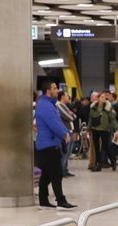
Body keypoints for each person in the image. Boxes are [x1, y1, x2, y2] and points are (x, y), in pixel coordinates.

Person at [34, 81, 76, 210]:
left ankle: (43, 200)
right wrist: (65, 134)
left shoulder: (48, 104)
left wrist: (65, 132)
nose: (57, 90)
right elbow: (53, 123)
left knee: (47, 174)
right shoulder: (45, 105)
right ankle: (60, 201)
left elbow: (56, 121)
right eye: (55, 88)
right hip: (48, 145)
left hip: (49, 143)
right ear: (48, 90)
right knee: (56, 173)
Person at [89, 91, 117, 171]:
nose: (103, 99)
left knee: (106, 147)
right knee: (96, 148)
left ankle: (113, 161)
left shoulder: (108, 107)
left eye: (104, 97)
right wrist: (88, 128)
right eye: (101, 97)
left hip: (105, 129)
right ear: (98, 98)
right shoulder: (93, 107)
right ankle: (98, 165)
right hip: (95, 129)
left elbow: (112, 119)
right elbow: (90, 118)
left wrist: (116, 129)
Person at [56, 91, 77, 177]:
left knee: (68, 153)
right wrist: (71, 115)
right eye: (67, 96)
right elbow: (70, 117)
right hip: (66, 131)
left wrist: (72, 115)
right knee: (65, 152)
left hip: (70, 131)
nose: (68, 97)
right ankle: (61, 171)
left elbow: (75, 116)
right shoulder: (59, 105)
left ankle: (65, 169)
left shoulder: (65, 106)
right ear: (62, 97)